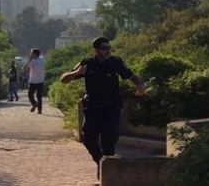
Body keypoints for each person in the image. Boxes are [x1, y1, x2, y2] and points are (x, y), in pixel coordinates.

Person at [60, 37, 146, 166]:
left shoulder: (115, 62)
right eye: (104, 48)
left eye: (109, 48)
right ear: (96, 50)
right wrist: (77, 72)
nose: (108, 51)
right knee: (87, 138)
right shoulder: (87, 63)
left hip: (111, 108)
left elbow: (130, 75)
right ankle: (101, 163)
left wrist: (140, 85)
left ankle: (107, 173)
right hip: (93, 109)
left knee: (109, 143)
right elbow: (64, 79)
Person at [25, 48, 45, 114]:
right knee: (39, 96)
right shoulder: (42, 60)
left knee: (30, 95)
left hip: (33, 81)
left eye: (31, 53)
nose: (30, 54)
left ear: (35, 54)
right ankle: (40, 110)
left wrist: (29, 60)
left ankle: (34, 103)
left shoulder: (32, 61)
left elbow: (24, 67)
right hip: (41, 81)